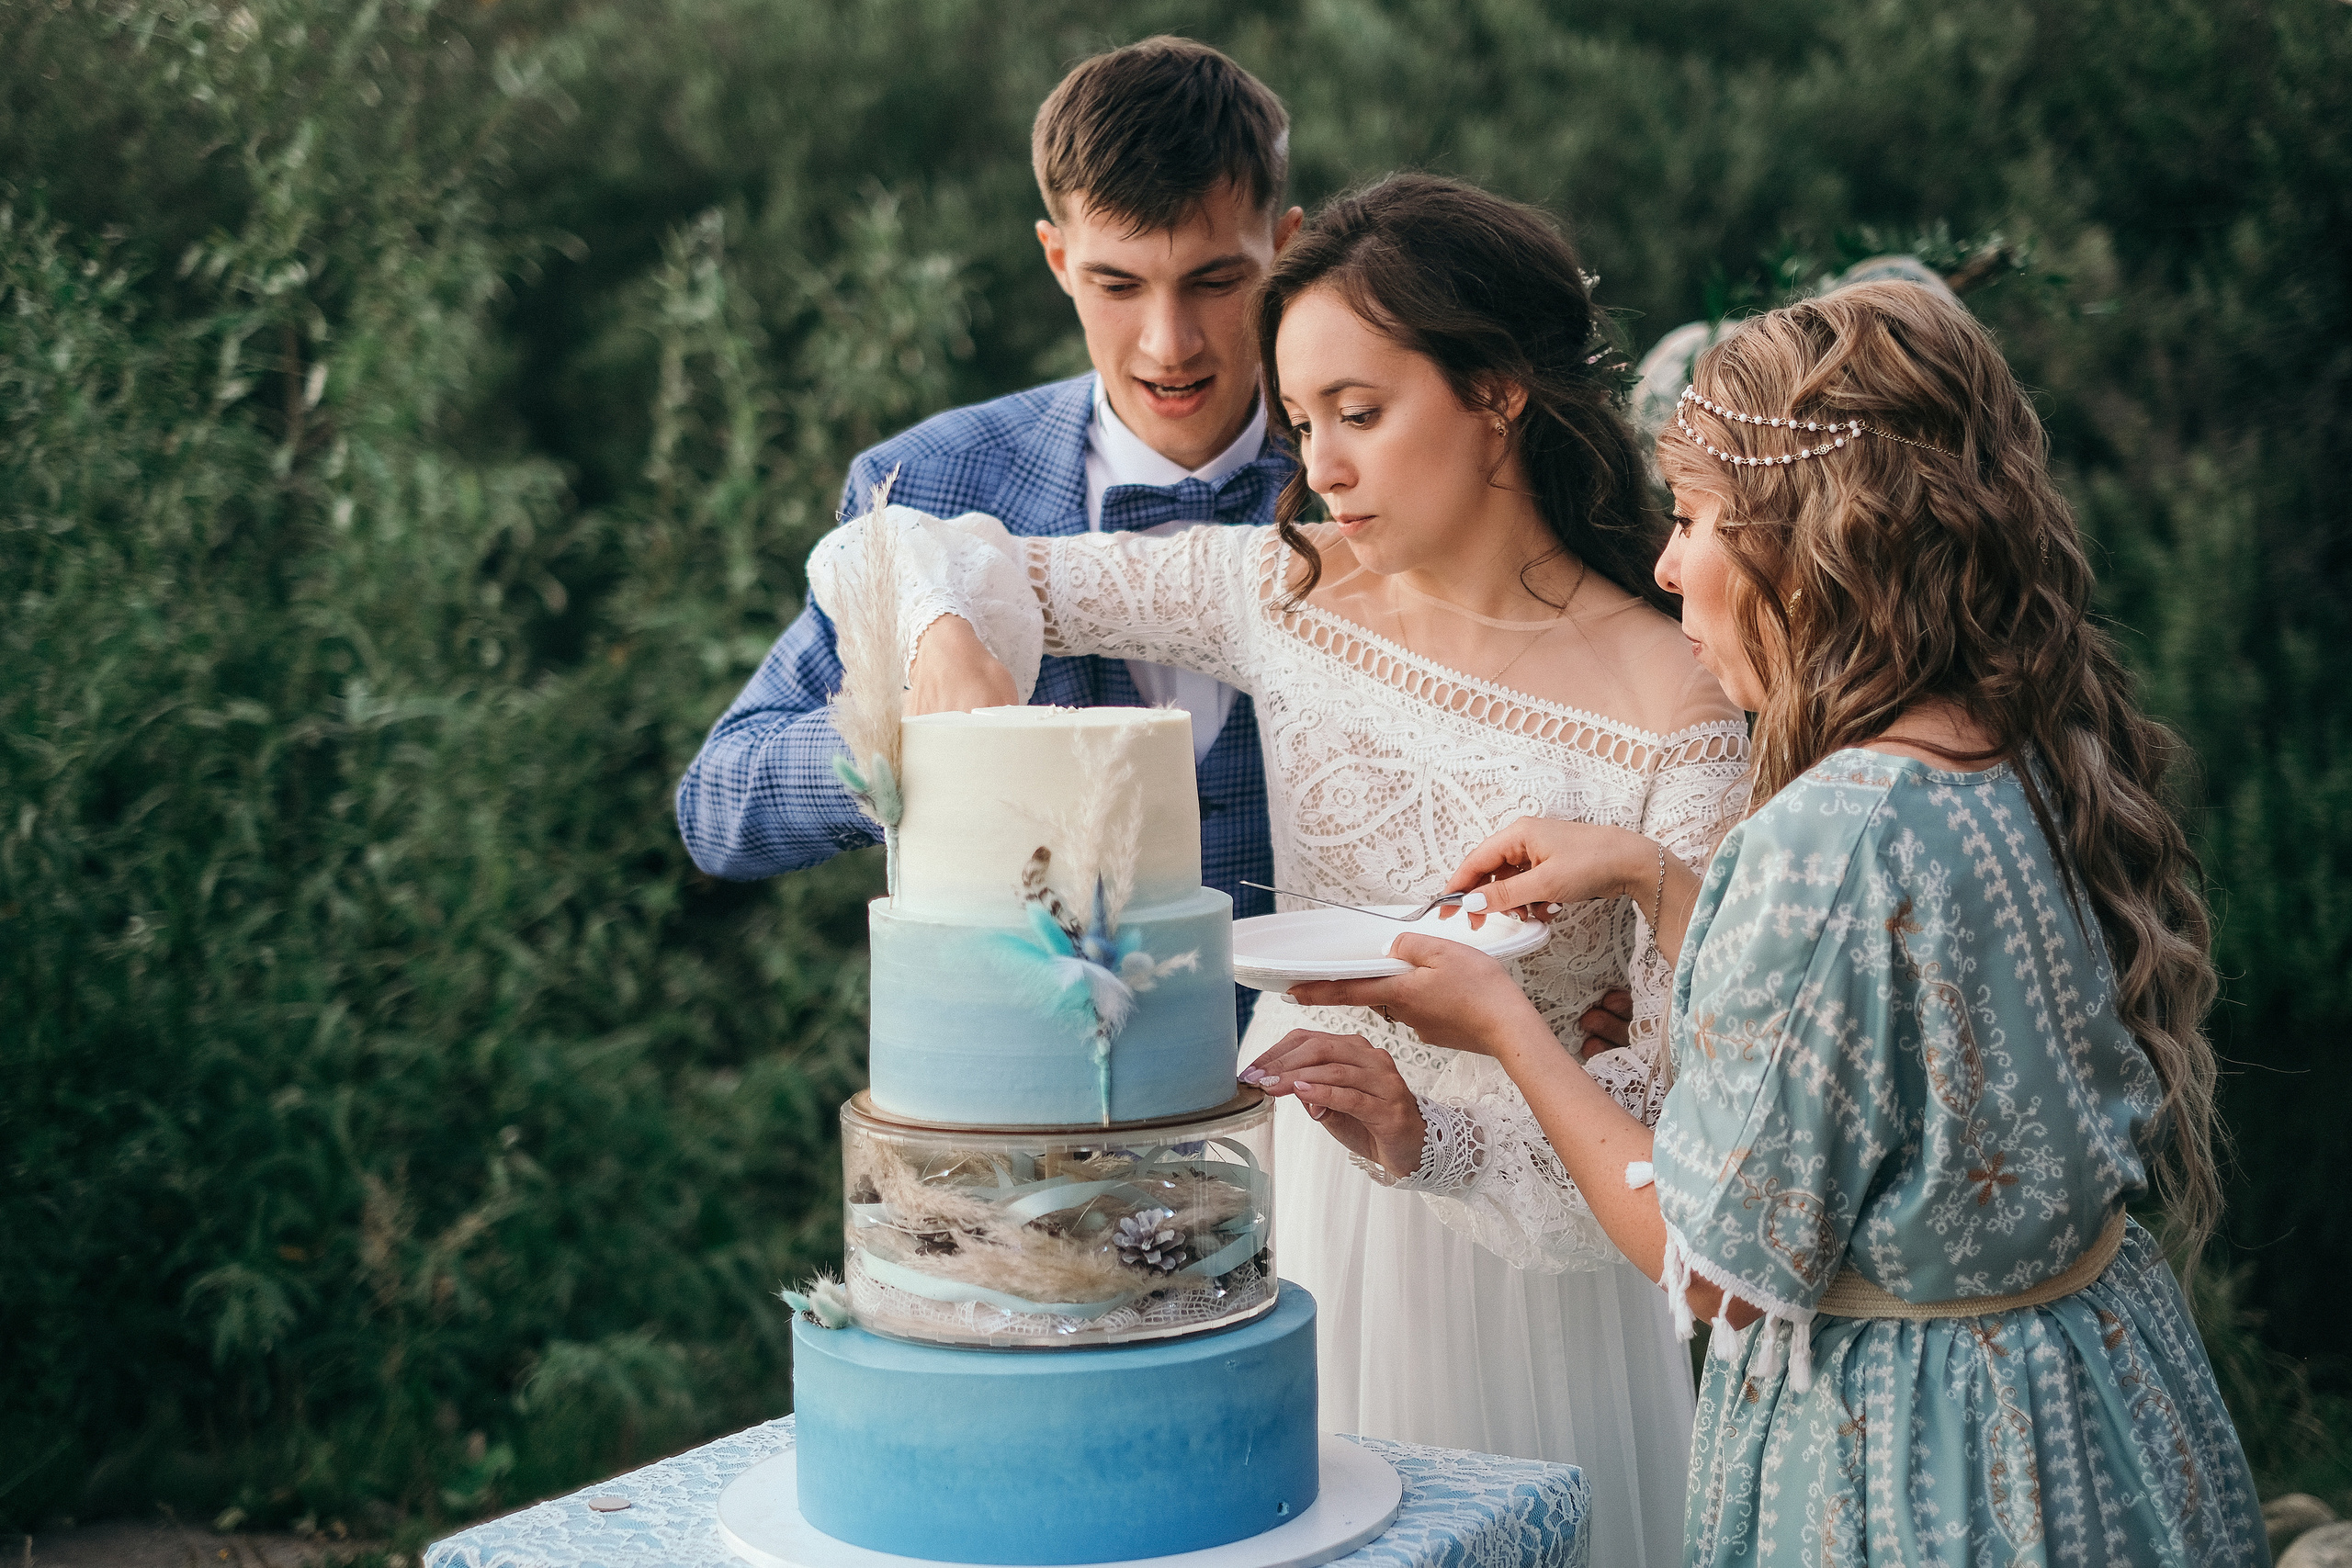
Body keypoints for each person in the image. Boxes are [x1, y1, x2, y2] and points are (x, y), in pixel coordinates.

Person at [1254, 279, 2267, 1564]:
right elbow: (1893, 1007)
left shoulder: (1818, 837)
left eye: (1692, 520)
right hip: (2098, 1397)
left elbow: (1714, 1265)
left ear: (1813, 543)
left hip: (1913, 1459)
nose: (1667, 562)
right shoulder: (2032, 745)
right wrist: (1658, 879)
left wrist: (1508, 1023)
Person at [830, 174, 1755, 1568]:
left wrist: (1435, 1131)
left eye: (1361, 415)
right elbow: (891, 541)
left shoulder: (1680, 699)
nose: (1318, 466)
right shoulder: (1279, 589)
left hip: (1539, 1269)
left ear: (1497, 391)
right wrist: (947, 637)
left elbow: (1700, 1110)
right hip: (1284, 1194)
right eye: (1305, 419)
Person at [674, 38, 1303, 1028]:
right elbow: (718, 809)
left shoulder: (1372, 476)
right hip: (1032, 1127)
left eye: (1216, 282)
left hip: (1338, 1128)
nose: (1167, 342)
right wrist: (905, 739)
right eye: (1119, 284)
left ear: (1288, 252)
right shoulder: (925, 481)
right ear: (1056, 258)